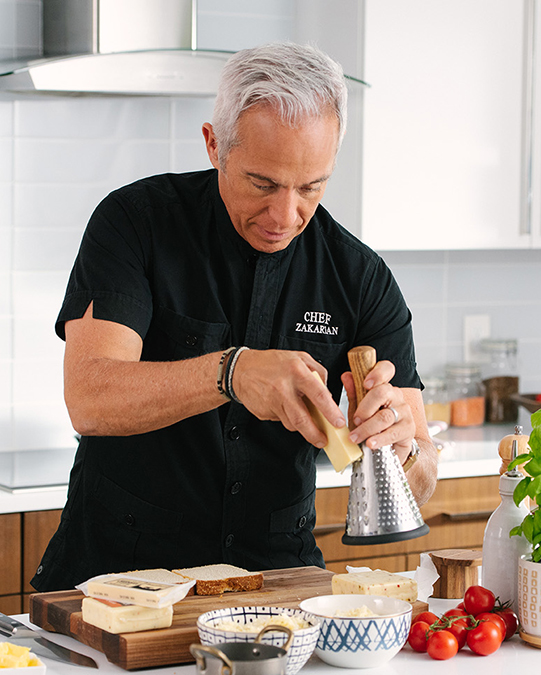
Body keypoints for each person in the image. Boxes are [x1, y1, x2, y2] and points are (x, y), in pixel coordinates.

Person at [32, 42, 438, 592]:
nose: (285, 215)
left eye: (311, 186)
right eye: (262, 184)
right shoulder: (134, 223)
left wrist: (402, 448)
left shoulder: (359, 275)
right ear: (214, 145)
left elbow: (423, 475)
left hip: (280, 578)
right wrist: (231, 372)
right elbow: (89, 397)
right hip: (117, 577)